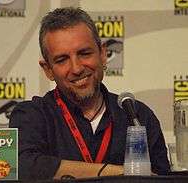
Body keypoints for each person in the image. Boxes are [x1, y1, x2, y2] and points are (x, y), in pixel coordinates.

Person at [9, 7, 170, 181]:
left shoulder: (137, 115)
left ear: (102, 54)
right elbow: (23, 166)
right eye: (62, 60)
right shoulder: (31, 115)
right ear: (48, 70)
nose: (77, 68)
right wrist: (121, 173)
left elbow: (161, 178)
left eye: (84, 53)